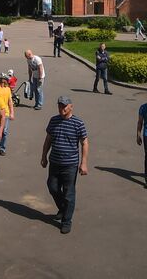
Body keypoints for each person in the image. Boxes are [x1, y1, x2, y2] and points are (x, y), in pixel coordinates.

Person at [41, 95, 88, 235]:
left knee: (69, 193)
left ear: (71, 107)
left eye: (64, 106)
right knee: (52, 187)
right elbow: (48, 139)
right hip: (55, 162)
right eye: (60, 106)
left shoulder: (78, 123)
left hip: (70, 165)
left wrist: (83, 163)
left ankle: (66, 221)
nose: (62, 108)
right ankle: (63, 208)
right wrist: (44, 156)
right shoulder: (53, 120)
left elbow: (84, 142)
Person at [0, 73, 15, 155]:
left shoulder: (8, 89)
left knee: (4, 131)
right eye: (1, 78)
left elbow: (10, 102)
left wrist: (12, 113)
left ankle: (2, 147)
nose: (2, 80)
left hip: (5, 113)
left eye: (4, 79)